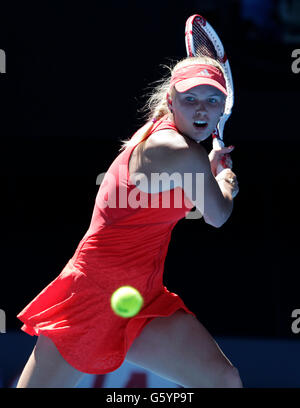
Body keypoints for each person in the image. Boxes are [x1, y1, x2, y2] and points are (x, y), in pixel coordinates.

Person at [16, 55, 241, 388]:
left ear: (223, 105)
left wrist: (205, 171)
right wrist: (224, 181)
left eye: (212, 100)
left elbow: (168, 191)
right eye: (190, 99)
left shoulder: (164, 136)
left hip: (143, 296)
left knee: (223, 380)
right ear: (171, 100)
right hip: (94, 293)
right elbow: (218, 215)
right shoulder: (180, 150)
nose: (201, 110)